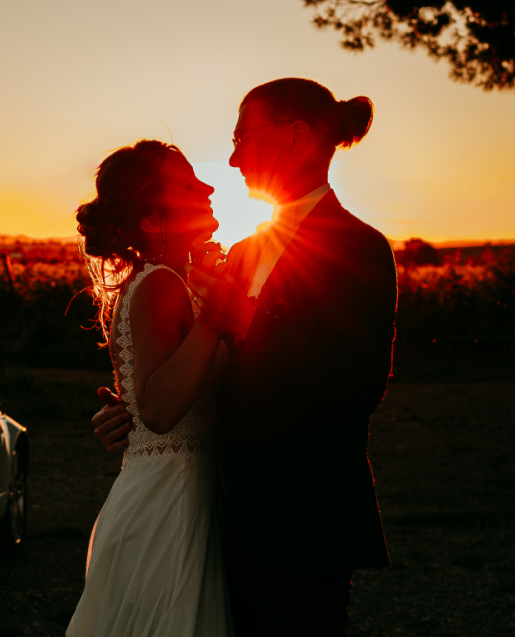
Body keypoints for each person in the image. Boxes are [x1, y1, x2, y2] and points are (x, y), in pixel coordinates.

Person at [91, 78, 396, 636]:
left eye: (242, 138)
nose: (230, 160)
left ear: (296, 137)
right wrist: (137, 414)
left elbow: (358, 384)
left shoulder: (358, 247)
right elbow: (207, 370)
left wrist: (248, 321)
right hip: (217, 524)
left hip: (301, 530)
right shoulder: (243, 251)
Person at [66, 139, 233, 637]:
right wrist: (216, 320)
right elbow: (159, 412)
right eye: (187, 186)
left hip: (172, 487)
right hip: (171, 499)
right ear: (152, 221)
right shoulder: (161, 284)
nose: (207, 187)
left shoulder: (173, 280)